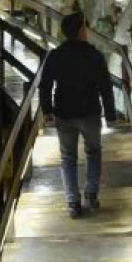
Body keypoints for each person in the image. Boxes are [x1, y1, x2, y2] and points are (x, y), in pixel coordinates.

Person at [38, 12, 117, 218]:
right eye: (85, 27)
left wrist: (47, 110)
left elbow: (45, 84)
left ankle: (73, 201)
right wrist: (110, 114)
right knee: (93, 152)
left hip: (64, 113)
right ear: (81, 30)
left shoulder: (56, 55)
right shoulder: (94, 55)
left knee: (68, 157)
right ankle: (91, 194)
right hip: (90, 112)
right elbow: (105, 87)